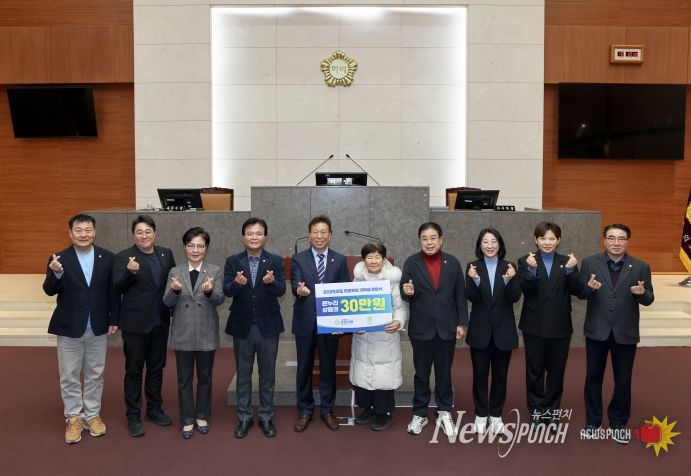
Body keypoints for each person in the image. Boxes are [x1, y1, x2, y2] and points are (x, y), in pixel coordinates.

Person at [43, 214, 119, 444]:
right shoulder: (58, 258)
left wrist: (114, 319)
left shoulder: (108, 257)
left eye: (88, 230)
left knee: (96, 374)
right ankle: (74, 417)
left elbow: (113, 292)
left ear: (94, 232)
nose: (83, 234)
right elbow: (49, 290)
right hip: (69, 327)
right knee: (70, 375)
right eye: (78, 230)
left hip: (98, 326)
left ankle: (92, 415)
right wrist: (56, 273)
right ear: (70, 233)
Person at [579, 224, 654, 444]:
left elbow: (649, 298)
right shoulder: (590, 263)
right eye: (611, 238)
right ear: (604, 240)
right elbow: (581, 292)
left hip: (625, 331)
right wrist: (589, 288)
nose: (616, 242)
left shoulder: (640, 266)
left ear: (628, 241)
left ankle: (618, 422)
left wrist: (641, 294)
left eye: (621, 238)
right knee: (593, 378)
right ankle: (593, 422)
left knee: (623, 379)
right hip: (597, 330)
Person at [401, 222, 468, 436]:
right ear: (419, 241)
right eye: (424, 238)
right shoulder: (411, 262)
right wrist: (408, 292)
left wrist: (461, 323)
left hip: (446, 328)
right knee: (421, 373)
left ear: (441, 239)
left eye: (432, 238)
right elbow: (404, 292)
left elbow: (460, 295)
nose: (429, 242)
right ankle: (419, 413)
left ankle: (444, 411)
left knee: (444, 373)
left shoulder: (453, 263)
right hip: (421, 328)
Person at [113, 214, 176, 437]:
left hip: (160, 322)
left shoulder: (166, 254)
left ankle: (154, 409)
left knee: (157, 368)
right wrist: (130, 273)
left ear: (155, 233)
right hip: (135, 324)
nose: (144, 236)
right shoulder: (123, 257)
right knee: (134, 370)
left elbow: (171, 285)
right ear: (133, 235)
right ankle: (133, 415)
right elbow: (117, 287)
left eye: (148, 232)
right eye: (139, 232)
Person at [223, 218, 286, 439]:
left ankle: (266, 416)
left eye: (258, 234)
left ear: (265, 237)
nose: (254, 237)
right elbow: (227, 290)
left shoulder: (276, 261)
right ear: (243, 237)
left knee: (267, 375)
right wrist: (237, 284)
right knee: (243, 375)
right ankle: (244, 417)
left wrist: (271, 282)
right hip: (242, 327)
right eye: (250, 233)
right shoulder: (233, 261)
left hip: (268, 326)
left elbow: (281, 290)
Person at [517, 221, 581, 427]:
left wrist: (571, 272)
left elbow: (578, 291)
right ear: (535, 240)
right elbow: (524, 289)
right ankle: (536, 412)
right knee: (534, 371)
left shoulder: (568, 261)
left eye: (551, 238)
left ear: (558, 240)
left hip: (560, 326)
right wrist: (531, 270)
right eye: (543, 238)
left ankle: (551, 412)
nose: (547, 242)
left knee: (556, 371)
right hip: (533, 326)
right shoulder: (526, 260)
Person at [163, 227, 224, 440]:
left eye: (200, 246)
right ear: (185, 247)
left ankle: (202, 416)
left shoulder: (214, 271)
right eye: (191, 245)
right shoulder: (175, 271)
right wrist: (175, 290)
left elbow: (220, 299)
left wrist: (209, 292)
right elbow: (167, 301)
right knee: (184, 379)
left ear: (206, 248)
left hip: (206, 332)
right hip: (183, 332)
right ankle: (187, 419)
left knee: (205, 377)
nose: (195, 250)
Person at [291, 215, 350, 432]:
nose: (319, 236)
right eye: (315, 232)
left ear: (330, 235)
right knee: (304, 368)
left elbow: (344, 290)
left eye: (323, 232)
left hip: (330, 323)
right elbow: (296, 284)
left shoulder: (339, 259)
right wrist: (299, 290)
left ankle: (327, 410)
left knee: (328, 368)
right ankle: (305, 411)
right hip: (305, 322)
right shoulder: (299, 259)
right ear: (309, 235)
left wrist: (342, 322)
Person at [465, 228, 521, 435]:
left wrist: (509, 280)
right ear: (480, 245)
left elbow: (514, 297)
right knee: (479, 376)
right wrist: (476, 281)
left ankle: (496, 415)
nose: (489, 246)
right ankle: (481, 414)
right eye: (485, 242)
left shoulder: (510, 266)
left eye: (493, 241)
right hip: (480, 331)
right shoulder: (472, 267)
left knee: (500, 376)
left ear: (500, 244)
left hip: (503, 332)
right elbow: (472, 297)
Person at [350, 242, 408, 431]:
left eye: (377, 257)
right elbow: (350, 306)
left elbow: (400, 306)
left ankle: (384, 413)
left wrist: (398, 322)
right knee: (363, 373)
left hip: (385, 335)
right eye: (369, 257)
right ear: (363, 259)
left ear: (383, 259)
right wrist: (354, 324)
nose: (373, 261)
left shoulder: (392, 279)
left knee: (383, 375)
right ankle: (367, 409)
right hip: (363, 336)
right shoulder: (358, 279)